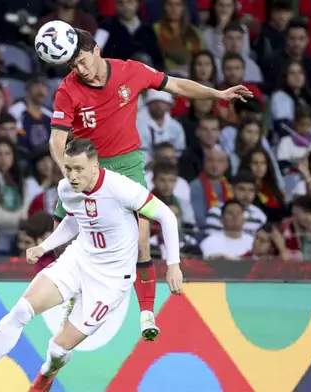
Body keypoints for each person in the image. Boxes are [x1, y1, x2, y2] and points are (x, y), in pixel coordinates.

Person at [48, 27, 252, 341]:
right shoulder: (67, 90)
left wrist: (217, 93)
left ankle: (146, 313)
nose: (81, 70)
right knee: (61, 233)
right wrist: (68, 172)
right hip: (87, 166)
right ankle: (68, 298)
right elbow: (56, 139)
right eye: (74, 66)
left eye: (84, 61)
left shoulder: (132, 71)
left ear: (96, 50)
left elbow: (177, 85)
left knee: (142, 238)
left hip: (127, 165)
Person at [0, 139, 184, 391]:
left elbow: (166, 215)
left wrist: (174, 264)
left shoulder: (121, 188)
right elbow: (73, 220)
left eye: (79, 169)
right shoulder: (66, 189)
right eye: (68, 168)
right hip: (78, 259)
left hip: (110, 280)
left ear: (95, 166)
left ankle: (45, 376)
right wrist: (44, 247)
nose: (72, 175)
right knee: (21, 310)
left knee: (57, 349)